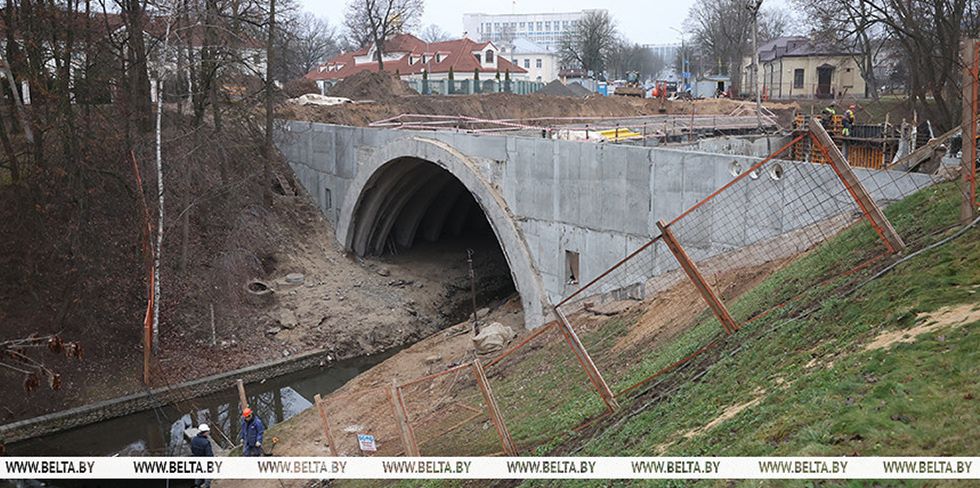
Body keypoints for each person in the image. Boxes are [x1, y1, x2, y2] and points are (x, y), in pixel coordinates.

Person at [190, 424, 214, 488]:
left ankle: (197, 485)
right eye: (208, 431)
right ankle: (206, 486)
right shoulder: (206, 442)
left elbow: (192, 449)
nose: (208, 432)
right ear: (205, 432)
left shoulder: (194, 439)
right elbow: (209, 454)